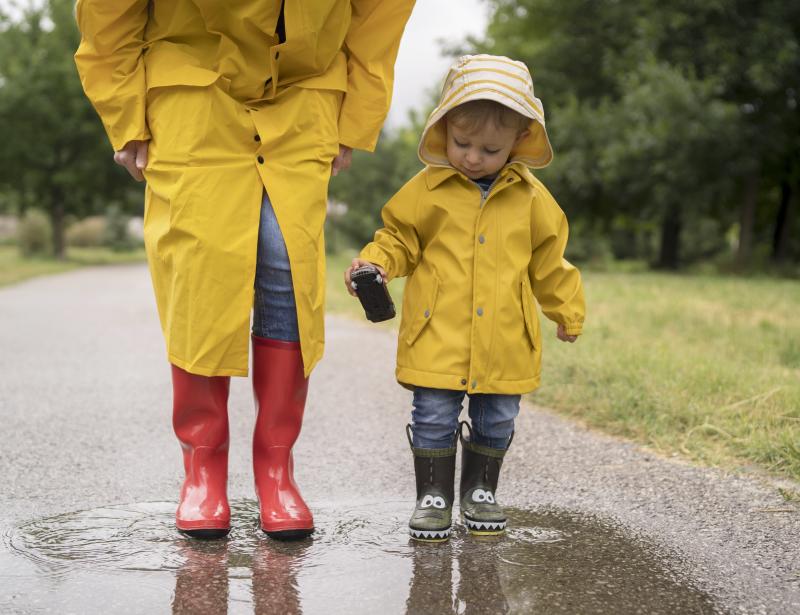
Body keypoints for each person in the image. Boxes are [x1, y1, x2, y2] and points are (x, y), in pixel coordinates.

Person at [75, 0, 415, 540]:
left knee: (288, 269)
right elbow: (108, 12)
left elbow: (379, 15)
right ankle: (202, 469)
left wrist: (356, 115)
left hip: (305, 94)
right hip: (192, 94)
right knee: (200, 279)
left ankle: (276, 470)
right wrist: (125, 111)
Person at [345, 54, 586, 541]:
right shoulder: (426, 190)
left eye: (489, 149)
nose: (473, 157)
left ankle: (481, 491)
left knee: (497, 415)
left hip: (504, 337)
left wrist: (567, 310)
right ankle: (432, 497)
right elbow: (398, 239)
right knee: (432, 413)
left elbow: (549, 262)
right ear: (444, 126)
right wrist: (377, 264)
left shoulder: (534, 201)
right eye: (462, 143)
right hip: (438, 331)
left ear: (520, 141)